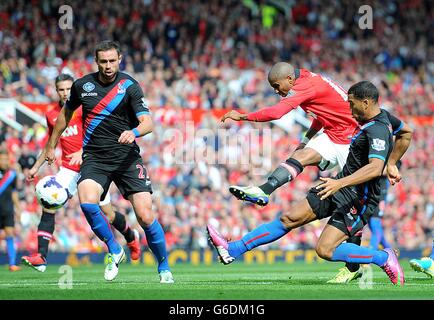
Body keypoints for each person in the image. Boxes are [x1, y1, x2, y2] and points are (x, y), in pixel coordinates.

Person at [208, 81, 412, 286]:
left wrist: (341, 183)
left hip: (359, 197)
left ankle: (384, 258)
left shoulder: (377, 129)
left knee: (325, 250)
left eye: (351, 104)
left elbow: (375, 168)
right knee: (289, 218)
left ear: (366, 103)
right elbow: (406, 133)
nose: (349, 109)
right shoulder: (383, 118)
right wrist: (392, 162)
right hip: (339, 186)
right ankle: (233, 250)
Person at [43, 41, 173, 283]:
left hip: (126, 158)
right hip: (95, 158)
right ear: (96, 61)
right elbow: (65, 115)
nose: (108, 66)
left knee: (145, 216)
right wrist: (51, 144)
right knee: (87, 201)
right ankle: (115, 248)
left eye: (112, 61)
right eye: (103, 61)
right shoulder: (83, 86)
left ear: (119, 59)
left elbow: (148, 123)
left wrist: (133, 132)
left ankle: (164, 267)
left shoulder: (129, 86)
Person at [21, 74, 141, 273]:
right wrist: (36, 166)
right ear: (56, 90)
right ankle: (41, 257)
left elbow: (101, 133)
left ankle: (130, 237)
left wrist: (82, 151)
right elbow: (51, 142)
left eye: (69, 88)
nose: (66, 93)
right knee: (49, 202)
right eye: (61, 89)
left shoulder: (86, 108)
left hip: (93, 165)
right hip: (68, 169)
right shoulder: (52, 114)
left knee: (108, 214)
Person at [221, 62, 358, 206]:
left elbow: (276, 113)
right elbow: (320, 116)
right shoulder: (302, 78)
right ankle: (263, 191)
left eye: (277, 86)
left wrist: (242, 116)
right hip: (335, 133)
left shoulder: (303, 86)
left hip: (351, 137)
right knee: (299, 156)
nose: (275, 91)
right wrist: (304, 142)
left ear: (289, 79)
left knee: (359, 198)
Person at [0, 149, 21, 271]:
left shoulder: (12, 175)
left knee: (10, 235)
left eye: (6, 159)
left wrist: (18, 208)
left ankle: (12, 263)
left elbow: (14, 193)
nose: (4, 161)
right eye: (2, 159)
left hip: (7, 210)